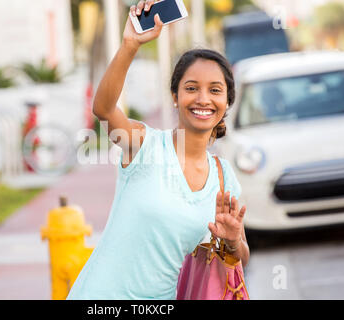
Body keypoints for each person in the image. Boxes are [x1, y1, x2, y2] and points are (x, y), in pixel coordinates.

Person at [67, 0, 250, 300]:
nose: (203, 98)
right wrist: (130, 45)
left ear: (227, 102)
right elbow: (103, 109)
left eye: (215, 90)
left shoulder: (223, 176)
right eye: (191, 88)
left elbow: (240, 257)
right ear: (175, 97)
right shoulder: (144, 145)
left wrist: (231, 242)